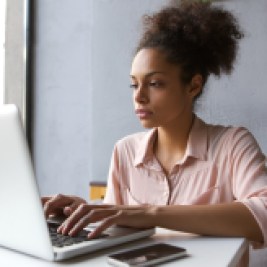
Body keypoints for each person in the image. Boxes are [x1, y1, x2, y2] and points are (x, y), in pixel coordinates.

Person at [43, 1, 267, 252]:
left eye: (155, 83)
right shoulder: (125, 151)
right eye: (134, 84)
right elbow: (114, 228)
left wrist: (152, 213)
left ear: (193, 86)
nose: (139, 96)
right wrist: (80, 210)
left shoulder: (232, 144)